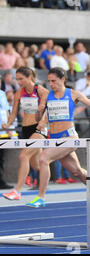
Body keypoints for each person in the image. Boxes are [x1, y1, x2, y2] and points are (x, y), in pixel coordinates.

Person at [27, 67, 90, 208]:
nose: (51, 84)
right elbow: (40, 117)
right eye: (49, 81)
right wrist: (39, 112)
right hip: (54, 139)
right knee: (77, 171)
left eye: (54, 81)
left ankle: (41, 197)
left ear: (63, 79)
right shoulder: (48, 96)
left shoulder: (73, 94)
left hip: (69, 137)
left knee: (43, 158)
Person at [2, 67, 48, 200]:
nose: (19, 81)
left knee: (23, 156)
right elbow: (14, 112)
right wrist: (8, 124)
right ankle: (43, 188)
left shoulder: (40, 90)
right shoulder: (19, 92)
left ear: (29, 77)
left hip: (38, 129)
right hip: (26, 129)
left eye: (21, 78)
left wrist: (43, 120)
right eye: (17, 79)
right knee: (37, 165)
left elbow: (50, 107)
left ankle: (17, 191)